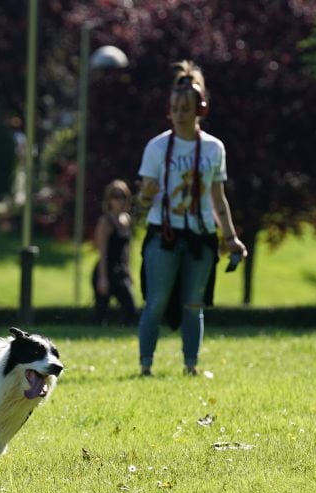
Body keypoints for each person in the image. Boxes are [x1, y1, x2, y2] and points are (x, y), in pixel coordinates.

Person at [135, 60, 247, 376]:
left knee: (194, 305)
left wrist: (230, 237)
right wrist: (145, 194)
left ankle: (191, 365)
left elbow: (217, 197)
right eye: (174, 108)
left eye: (186, 108)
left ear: (201, 109)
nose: (179, 114)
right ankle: (145, 367)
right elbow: (142, 203)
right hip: (164, 233)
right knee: (155, 302)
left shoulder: (214, 148)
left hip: (201, 236)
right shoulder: (156, 147)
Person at [91, 179, 137, 325]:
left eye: (123, 196)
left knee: (131, 310)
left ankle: (121, 334)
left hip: (121, 270)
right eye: (116, 196)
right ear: (109, 199)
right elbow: (102, 252)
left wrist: (128, 271)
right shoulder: (105, 222)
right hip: (107, 270)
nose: (120, 200)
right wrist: (102, 278)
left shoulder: (127, 220)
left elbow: (127, 249)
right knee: (101, 313)